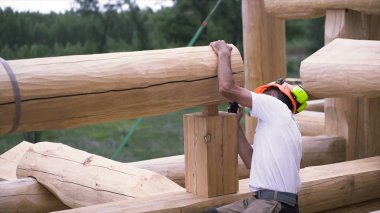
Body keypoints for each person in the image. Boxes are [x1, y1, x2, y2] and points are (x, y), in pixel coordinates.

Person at [206, 40, 309, 213]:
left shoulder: (277, 107)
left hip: (273, 204)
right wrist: (235, 124)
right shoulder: (280, 123)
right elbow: (250, 160)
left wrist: (223, 53)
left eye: (267, 91)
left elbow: (226, 88)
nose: (263, 95)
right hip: (261, 200)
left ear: (276, 93)